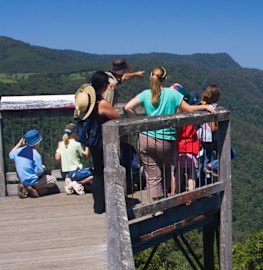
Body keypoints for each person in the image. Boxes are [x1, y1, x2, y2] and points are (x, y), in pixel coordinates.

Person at [124, 66, 217, 202]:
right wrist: (205, 107)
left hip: (145, 138)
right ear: (165, 79)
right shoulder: (173, 94)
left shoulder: (145, 94)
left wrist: (141, 121)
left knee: (152, 175)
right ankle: (164, 204)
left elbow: (127, 107)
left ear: (151, 78)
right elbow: (189, 109)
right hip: (166, 140)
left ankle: (155, 205)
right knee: (166, 171)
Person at [75, 71, 121, 213]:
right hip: (103, 141)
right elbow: (118, 116)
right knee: (108, 171)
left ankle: (98, 206)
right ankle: (109, 204)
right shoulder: (102, 104)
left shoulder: (87, 102)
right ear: (104, 86)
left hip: (93, 141)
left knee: (98, 172)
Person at [9, 129, 57, 198]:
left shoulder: (18, 151)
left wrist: (19, 144)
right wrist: (43, 168)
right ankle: (30, 187)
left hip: (23, 180)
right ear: (37, 143)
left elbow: (10, 155)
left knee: (44, 191)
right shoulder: (35, 154)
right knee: (53, 180)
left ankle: (28, 189)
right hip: (33, 180)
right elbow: (39, 172)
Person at [55, 123, 92, 195]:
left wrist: (59, 146)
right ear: (74, 133)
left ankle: (71, 181)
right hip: (76, 172)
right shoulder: (77, 144)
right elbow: (85, 157)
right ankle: (77, 183)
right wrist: (88, 145)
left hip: (68, 173)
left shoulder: (62, 144)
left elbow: (57, 157)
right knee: (95, 173)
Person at [197, 85, 221, 185]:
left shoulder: (202, 106)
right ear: (217, 97)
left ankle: (201, 183)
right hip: (211, 139)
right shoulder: (214, 108)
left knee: (204, 161)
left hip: (203, 137)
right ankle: (212, 166)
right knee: (229, 154)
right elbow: (213, 128)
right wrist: (221, 127)